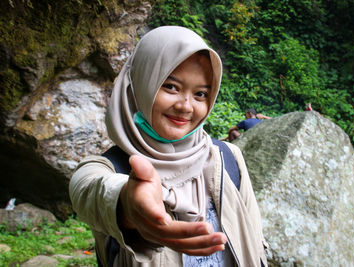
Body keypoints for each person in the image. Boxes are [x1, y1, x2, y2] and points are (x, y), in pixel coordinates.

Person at [69, 26, 267, 267]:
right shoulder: (109, 167)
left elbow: (255, 240)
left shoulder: (228, 157)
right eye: (171, 86)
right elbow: (89, 190)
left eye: (201, 94)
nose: (186, 106)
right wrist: (128, 205)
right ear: (141, 84)